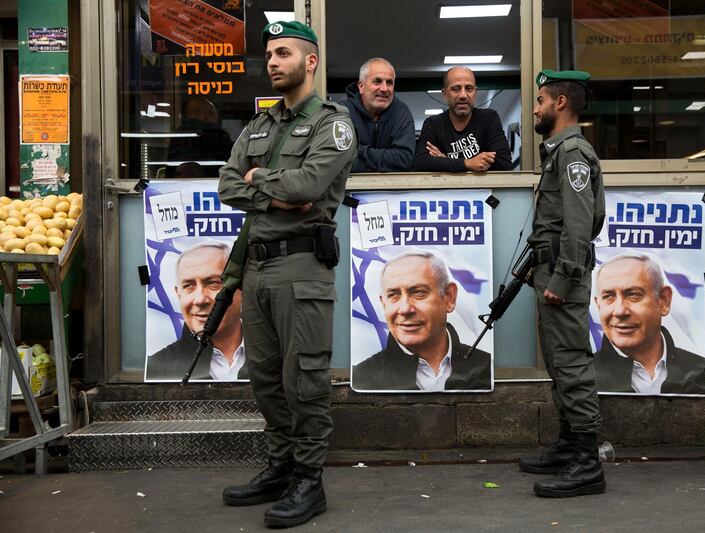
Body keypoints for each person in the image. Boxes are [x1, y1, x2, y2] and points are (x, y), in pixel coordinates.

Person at [217, 21, 356, 528]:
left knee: (306, 380)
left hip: (302, 268)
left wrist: (267, 182)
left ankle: (309, 480)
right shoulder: (259, 125)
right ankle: (280, 467)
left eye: (282, 53)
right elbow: (227, 184)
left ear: (310, 61)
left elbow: (310, 185)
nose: (272, 62)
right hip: (256, 268)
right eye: (269, 55)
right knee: (266, 380)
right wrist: (270, 188)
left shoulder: (333, 124)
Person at [517, 70, 606, 498]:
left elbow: (578, 224)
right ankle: (570, 446)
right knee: (558, 360)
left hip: (561, 276)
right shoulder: (558, 151)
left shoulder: (571, 153)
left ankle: (588, 463)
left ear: (561, 104)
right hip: (550, 271)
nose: (535, 108)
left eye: (539, 100)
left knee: (570, 362)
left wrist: (564, 277)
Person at [351, 252, 491, 391]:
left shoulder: (486, 368)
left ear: (449, 297)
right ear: (383, 304)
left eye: (418, 292)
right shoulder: (363, 378)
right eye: (394, 295)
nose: (405, 309)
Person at [593, 253, 705, 395]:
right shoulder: (584, 376)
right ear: (598, 305)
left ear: (663, 301)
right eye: (608, 297)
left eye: (633, 295)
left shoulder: (699, 370)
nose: (619, 311)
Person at [146, 242, 246, 381]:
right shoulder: (157, 368)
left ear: (242, 288)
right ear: (178, 294)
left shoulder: (277, 355)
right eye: (189, 286)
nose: (200, 300)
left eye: (213, 283)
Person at [413, 66, 512, 172]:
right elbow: (420, 162)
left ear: (475, 92)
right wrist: (467, 163)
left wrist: (445, 161)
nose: (463, 95)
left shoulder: (488, 118)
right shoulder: (433, 124)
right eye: (456, 89)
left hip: (482, 188)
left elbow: (504, 162)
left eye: (469, 88)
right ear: (445, 94)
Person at [340, 58, 415, 172]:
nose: (384, 89)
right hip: (348, 188)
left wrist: (359, 151)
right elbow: (338, 160)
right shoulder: (343, 111)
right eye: (377, 81)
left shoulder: (401, 113)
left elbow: (404, 160)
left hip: (391, 188)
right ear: (361, 86)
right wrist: (377, 167)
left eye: (389, 82)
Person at [166, 97, 234, 178]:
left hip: (180, 186)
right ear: (208, 114)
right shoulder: (217, 134)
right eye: (217, 118)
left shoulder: (178, 135)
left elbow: (171, 167)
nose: (217, 121)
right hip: (211, 184)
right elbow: (231, 164)